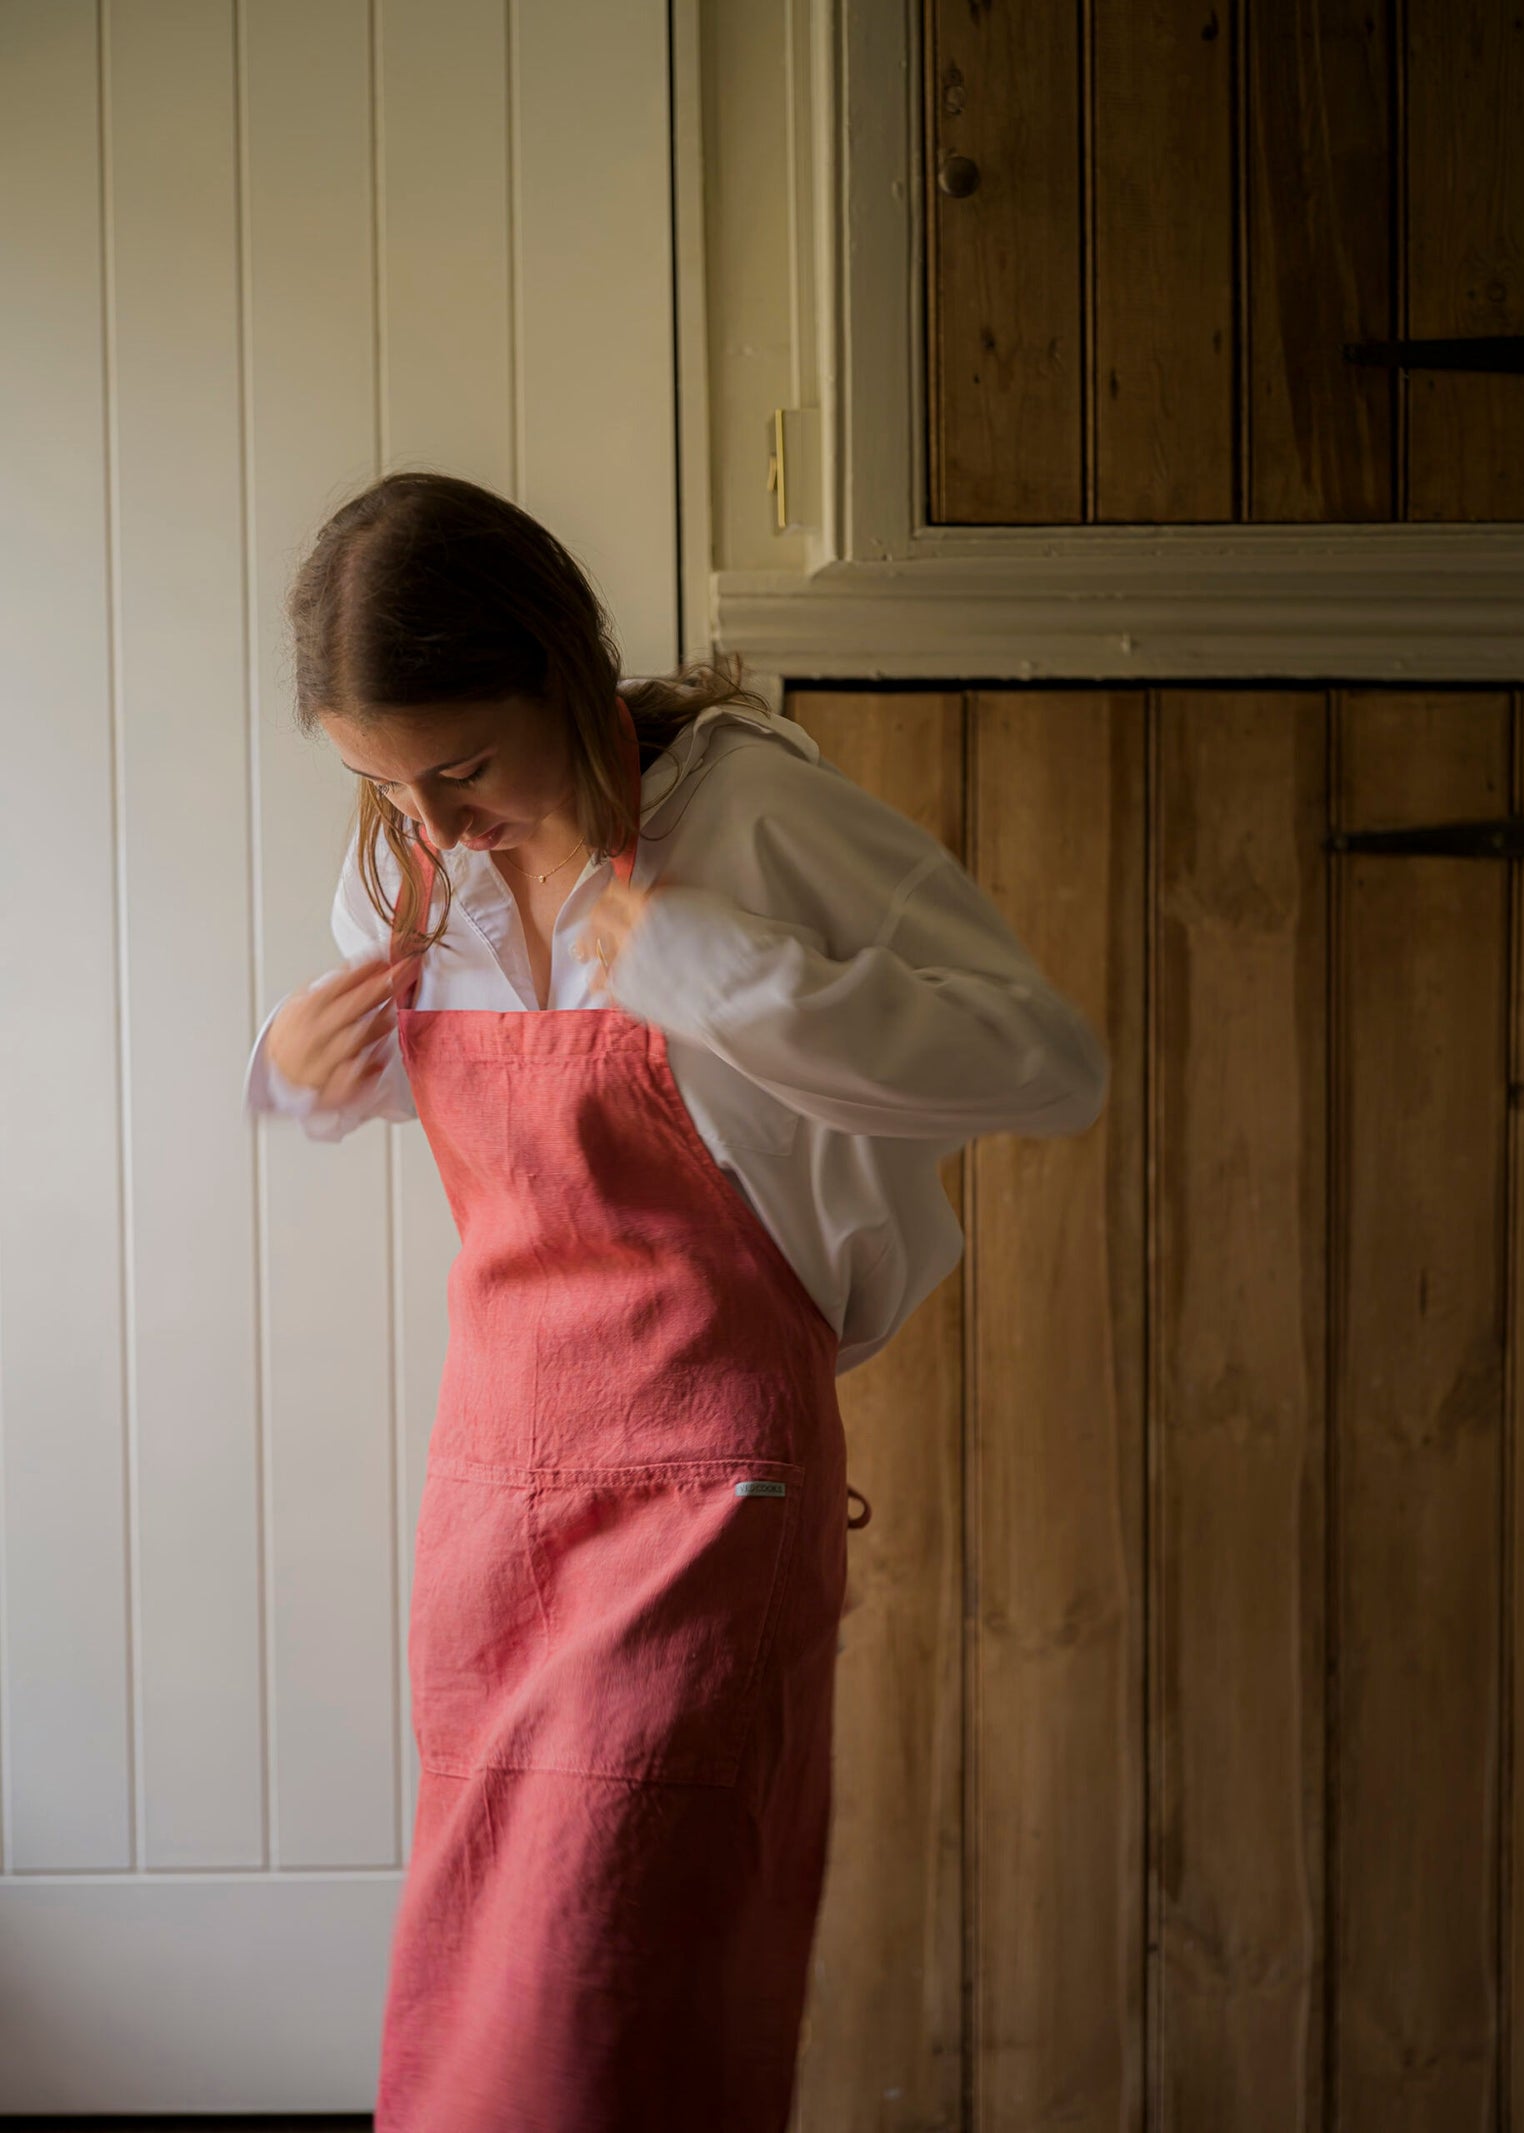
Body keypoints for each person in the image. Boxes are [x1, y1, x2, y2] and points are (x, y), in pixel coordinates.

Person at [244, 470, 1109, 2133]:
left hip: (711, 1497)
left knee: (605, 2004)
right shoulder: (412, 873)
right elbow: (385, 1084)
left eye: (465, 769)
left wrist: (710, 967)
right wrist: (290, 1074)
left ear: (562, 667)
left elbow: (1046, 1060)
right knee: (482, 1990)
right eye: (384, 783)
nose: (430, 829)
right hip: (493, 1513)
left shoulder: (749, 821)